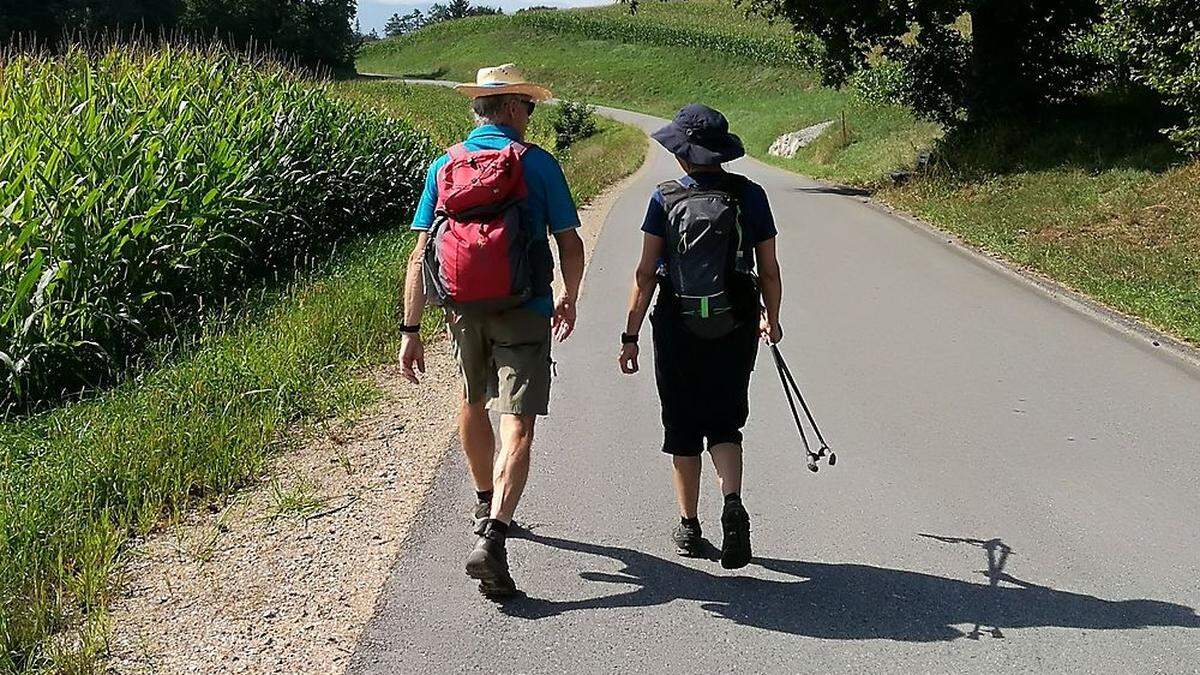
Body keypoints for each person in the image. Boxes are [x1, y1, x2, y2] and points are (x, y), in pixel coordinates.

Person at [399, 64, 585, 597]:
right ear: (507, 107)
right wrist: (569, 297)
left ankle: (484, 497)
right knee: (519, 423)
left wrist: (410, 328)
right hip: (525, 307)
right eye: (526, 105)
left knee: (472, 398)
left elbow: (421, 254)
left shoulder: (445, 165)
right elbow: (569, 244)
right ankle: (495, 535)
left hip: (461, 310)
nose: (529, 114)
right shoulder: (539, 165)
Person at [617, 104, 783, 570]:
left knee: (682, 425)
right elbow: (768, 269)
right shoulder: (750, 195)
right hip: (736, 318)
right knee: (726, 422)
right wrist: (772, 317)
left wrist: (629, 334)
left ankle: (689, 525)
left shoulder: (664, 198)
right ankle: (732, 501)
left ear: (683, 153)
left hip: (676, 319)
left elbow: (646, 272)